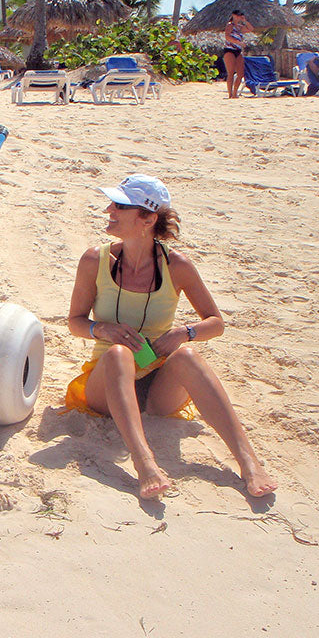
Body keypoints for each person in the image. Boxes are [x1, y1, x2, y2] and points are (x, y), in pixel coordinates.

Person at [65, 175, 278, 501]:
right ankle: (144, 462)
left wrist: (183, 333)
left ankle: (248, 461)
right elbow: (76, 322)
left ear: (148, 219)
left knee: (189, 356)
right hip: (106, 382)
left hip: (156, 382)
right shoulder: (95, 260)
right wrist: (103, 329)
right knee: (119, 353)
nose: (109, 209)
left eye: (120, 206)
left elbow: (216, 323)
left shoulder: (176, 266)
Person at [222, 10, 254, 99]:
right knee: (231, 72)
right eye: (238, 15)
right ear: (233, 15)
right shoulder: (230, 25)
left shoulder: (240, 27)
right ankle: (230, 93)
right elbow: (227, 37)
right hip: (229, 50)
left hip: (238, 50)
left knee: (240, 73)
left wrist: (245, 21)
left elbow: (251, 29)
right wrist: (238, 42)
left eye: (241, 15)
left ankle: (235, 93)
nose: (239, 16)